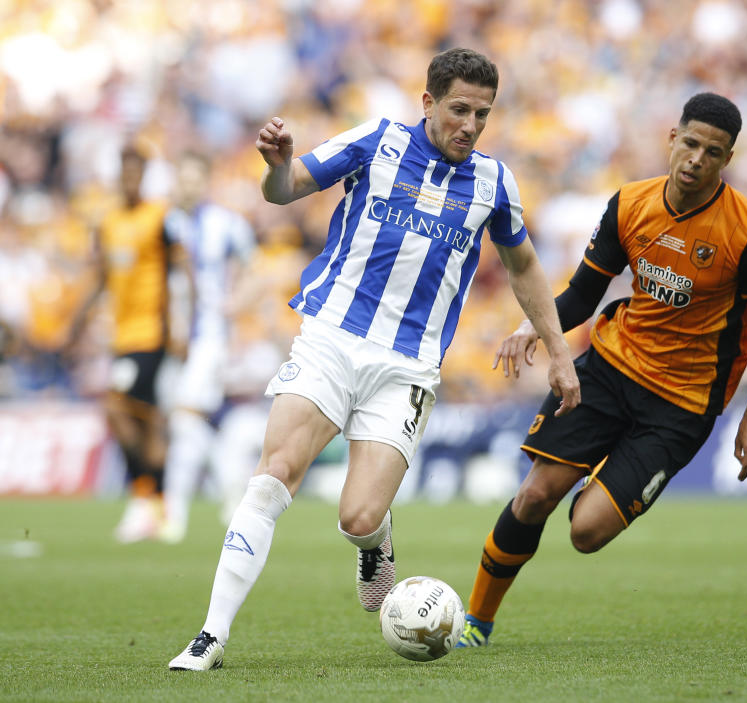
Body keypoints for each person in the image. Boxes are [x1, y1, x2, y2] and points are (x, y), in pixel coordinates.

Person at [168, 47, 580, 671]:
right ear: (428, 103)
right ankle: (211, 636)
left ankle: (375, 542)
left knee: (358, 516)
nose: (469, 125)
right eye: (459, 110)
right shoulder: (378, 140)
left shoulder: (495, 183)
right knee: (273, 473)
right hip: (332, 335)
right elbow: (287, 189)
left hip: (407, 367)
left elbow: (522, 264)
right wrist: (276, 167)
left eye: (482, 115)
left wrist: (558, 351)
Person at [454, 92, 747, 648]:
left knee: (586, 533)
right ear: (672, 138)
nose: (696, 160)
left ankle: (604, 476)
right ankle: (476, 622)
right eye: (689, 143)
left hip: (681, 405)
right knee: (536, 495)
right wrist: (531, 328)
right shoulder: (631, 204)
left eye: (712, 152)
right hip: (611, 370)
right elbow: (586, 292)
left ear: (726, 160)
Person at [66, 141, 189, 543]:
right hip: (122, 335)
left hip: (152, 332)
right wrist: (77, 321)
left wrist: (182, 327)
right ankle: (159, 503)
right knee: (143, 418)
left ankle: (146, 499)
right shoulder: (109, 220)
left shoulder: (161, 218)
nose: (130, 178)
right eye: (125, 171)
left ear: (145, 175)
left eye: (137, 172)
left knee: (122, 410)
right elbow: (102, 276)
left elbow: (180, 274)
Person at [158, 150, 256, 543]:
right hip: (165, 336)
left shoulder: (225, 224)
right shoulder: (162, 222)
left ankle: (173, 514)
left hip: (207, 337)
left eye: (196, 178)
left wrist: (233, 307)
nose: (189, 186)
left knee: (185, 419)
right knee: (185, 422)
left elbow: (255, 271)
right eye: (184, 178)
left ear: (206, 182)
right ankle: (234, 490)